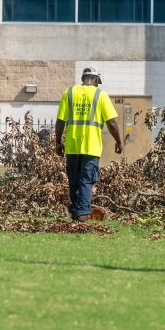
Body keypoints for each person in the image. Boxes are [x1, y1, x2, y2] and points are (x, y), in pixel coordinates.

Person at [54, 66, 123, 222]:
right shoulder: (101, 95)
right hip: (91, 147)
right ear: (96, 80)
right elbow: (111, 123)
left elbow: (60, 121)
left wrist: (58, 142)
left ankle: (75, 212)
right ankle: (83, 214)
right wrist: (119, 142)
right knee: (86, 180)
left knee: (74, 179)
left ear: (82, 79)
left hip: (72, 146)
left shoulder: (69, 93)